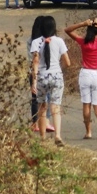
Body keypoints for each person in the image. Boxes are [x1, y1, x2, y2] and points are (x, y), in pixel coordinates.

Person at [30, 16, 70, 146]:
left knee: (42, 107)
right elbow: (68, 62)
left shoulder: (36, 42)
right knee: (55, 107)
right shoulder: (59, 41)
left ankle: (42, 138)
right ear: (54, 27)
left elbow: (35, 62)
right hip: (56, 76)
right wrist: (59, 69)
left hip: (42, 77)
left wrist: (34, 82)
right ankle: (57, 136)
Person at [27, 16, 54, 133]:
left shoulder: (31, 40)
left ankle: (35, 123)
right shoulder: (45, 40)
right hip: (44, 71)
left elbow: (32, 59)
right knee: (46, 98)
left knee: (35, 99)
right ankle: (46, 121)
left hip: (32, 71)